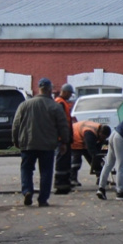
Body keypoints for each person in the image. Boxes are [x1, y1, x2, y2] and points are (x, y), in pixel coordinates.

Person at [12, 78, 72, 207]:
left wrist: (15, 140)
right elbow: (63, 126)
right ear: (50, 90)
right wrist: (64, 142)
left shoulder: (25, 105)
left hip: (28, 143)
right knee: (46, 171)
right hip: (47, 145)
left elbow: (16, 124)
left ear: (39, 88)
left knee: (26, 169)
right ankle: (43, 199)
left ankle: (27, 191)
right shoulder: (54, 106)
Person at [51, 84, 77, 193]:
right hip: (62, 138)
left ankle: (65, 183)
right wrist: (63, 139)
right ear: (65, 92)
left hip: (64, 138)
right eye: (70, 93)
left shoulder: (62, 103)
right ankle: (61, 184)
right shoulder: (60, 103)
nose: (70, 96)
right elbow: (61, 123)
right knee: (62, 161)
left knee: (65, 161)